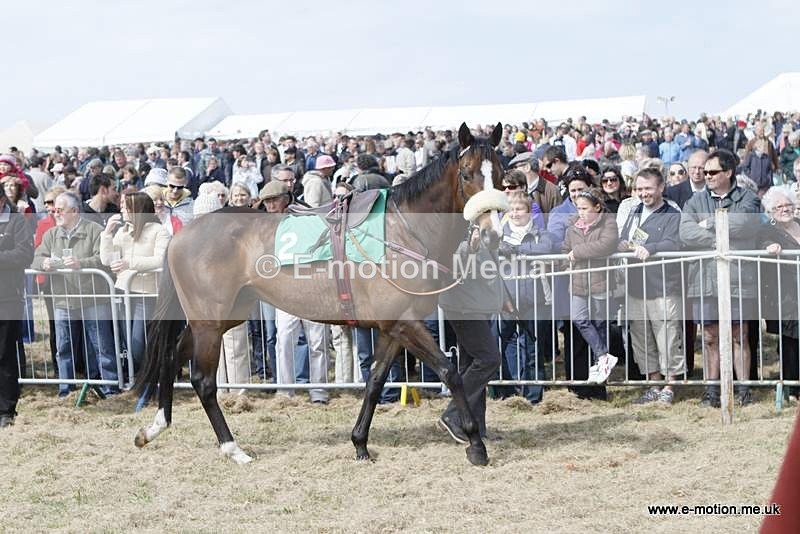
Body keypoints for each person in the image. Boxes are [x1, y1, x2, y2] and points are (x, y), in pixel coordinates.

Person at [679, 149, 762, 407]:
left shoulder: (748, 198)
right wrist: (718, 237)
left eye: (713, 172)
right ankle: (712, 390)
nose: (707, 176)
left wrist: (708, 223)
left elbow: (746, 225)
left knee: (739, 334)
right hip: (704, 278)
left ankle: (744, 389)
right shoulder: (695, 201)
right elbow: (686, 232)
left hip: (738, 278)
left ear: (728, 172)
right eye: (705, 172)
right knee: (710, 336)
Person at [31, 192, 119, 398]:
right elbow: (37, 257)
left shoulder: (95, 231)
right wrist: (42, 264)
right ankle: (66, 389)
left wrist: (83, 264)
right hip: (63, 300)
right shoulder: (51, 234)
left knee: (102, 345)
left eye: (60, 209)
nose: (55, 212)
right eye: (54, 210)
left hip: (93, 298)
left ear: (75, 211)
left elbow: (104, 259)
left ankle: (110, 388)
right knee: (63, 347)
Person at [618, 167, 684, 404]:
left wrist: (653, 248)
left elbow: (674, 242)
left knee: (667, 336)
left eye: (648, 188)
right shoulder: (634, 211)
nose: (644, 193)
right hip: (636, 286)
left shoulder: (671, 213)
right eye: (640, 188)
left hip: (663, 287)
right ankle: (654, 383)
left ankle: (670, 385)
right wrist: (624, 244)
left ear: (661, 188)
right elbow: (627, 237)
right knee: (641, 338)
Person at [437, 224, 504, 442]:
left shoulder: (486, 227)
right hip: (464, 307)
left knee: (470, 367)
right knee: (489, 359)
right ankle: (453, 413)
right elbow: (454, 268)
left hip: (477, 306)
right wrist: (470, 248)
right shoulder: (458, 229)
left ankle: (474, 429)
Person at [100, 192, 169, 373]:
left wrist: (130, 264)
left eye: (126, 206)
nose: (121, 209)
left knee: (138, 343)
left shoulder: (159, 231)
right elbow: (107, 259)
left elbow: (161, 260)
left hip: (145, 294)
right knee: (127, 342)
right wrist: (107, 234)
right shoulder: (123, 232)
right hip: (123, 291)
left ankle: (148, 377)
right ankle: (135, 378)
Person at [496, 191, 554, 403]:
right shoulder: (499, 232)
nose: (515, 213)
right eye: (511, 209)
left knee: (533, 349)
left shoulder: (541, 233)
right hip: (506, 298)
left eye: (519, 209)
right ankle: (507, 391)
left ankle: (533, 395)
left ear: (529, 212)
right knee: (501, 345)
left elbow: (547, 248)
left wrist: (517, 250)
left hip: (535, 298)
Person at [563, 188, 619, 384]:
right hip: (578, 283)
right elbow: (565, 249)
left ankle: (600, 362)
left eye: (585, 208)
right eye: (578, 208)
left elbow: (607, 245)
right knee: (579, 318)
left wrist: (578, 252)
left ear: (597, 207)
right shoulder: (572, 227)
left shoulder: (608, 223)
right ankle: (604, 356)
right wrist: (563, 261)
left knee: (600, 323)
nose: (581, 212)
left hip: (600, 282)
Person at [760, 186, 800, 402]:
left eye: (788, 205)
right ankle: (792, 389)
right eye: (779, 206)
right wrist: (770, 246)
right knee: (790, 341)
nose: (785, 209)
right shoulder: (769, 230)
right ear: (770, 212)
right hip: (784, 294)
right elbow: (762, 243)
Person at [0, 183, 34, 427]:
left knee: (4, 355)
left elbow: (24, 255)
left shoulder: (17, 221)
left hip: (7, 297)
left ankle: (6, 410)